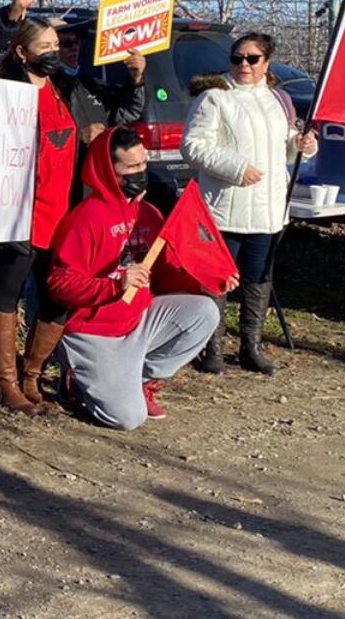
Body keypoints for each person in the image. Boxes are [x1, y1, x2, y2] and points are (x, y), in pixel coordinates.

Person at [0, 0, 145, 413]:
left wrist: (136, 78)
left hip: (65, 213)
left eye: (56, 44)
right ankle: (6, 382)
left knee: (58, 295)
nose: (53, 51)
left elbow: (122, 115)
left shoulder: (68, 87)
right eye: (43, 45)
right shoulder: (1, 90)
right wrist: (12, 16)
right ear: (23, 51)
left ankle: (33, 374)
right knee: (7, 295)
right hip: (20, 212)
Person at [45, 128, 229, 428]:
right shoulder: (85, 218)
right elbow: (58, 284)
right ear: (109, 170)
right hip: (94, 331)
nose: (141, 173)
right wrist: (115, 284)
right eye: (131, 168)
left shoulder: (149, 213)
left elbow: (165, 275)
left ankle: (141, 378)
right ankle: (75, 382)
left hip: (138, 319)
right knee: (128, 419)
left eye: (144, 164)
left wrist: (204, 281)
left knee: (205, 311)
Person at [180, 32, 317, 375]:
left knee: (258, 278)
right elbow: (193, 146)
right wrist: (236, 167)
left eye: (252, 59)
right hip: (226, 207)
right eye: (237, 58)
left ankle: (250, 345)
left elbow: (281, 149)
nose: (243, 64)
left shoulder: (276, 99)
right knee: (218, 280)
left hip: (270, 210)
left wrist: (299, 144)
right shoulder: (215, 98)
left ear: (266, 63)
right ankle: (210, 346)